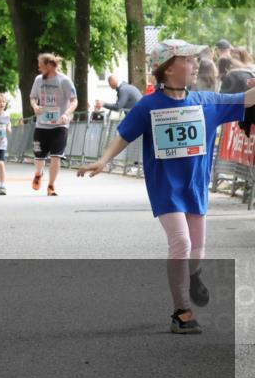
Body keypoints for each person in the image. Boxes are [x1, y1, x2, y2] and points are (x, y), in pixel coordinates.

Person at [78, 39, 254, 334]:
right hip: (165, 188)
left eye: (195, 60)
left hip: (194, 187)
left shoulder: (206, 102)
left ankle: (194, 274)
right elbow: (124, 134)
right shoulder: (149, 105)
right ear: (168, 69)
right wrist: (103, 160)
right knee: (181, 243)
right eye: (188, 60)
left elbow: (247, 99)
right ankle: (181, 311)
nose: (196, 64)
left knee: (197, 250)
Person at [29, 53, 78, 196]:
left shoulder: (64, 81)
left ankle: (51, 186)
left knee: (56, 155)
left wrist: (66, 114)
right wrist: (35, 106)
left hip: (59, 125)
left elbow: (74, 101)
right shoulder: (38, 80)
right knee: (39, 156)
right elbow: (32, 97)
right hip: (42, 125)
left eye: (40, 65)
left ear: (49, 65)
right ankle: (38, 174)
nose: (38, 68)